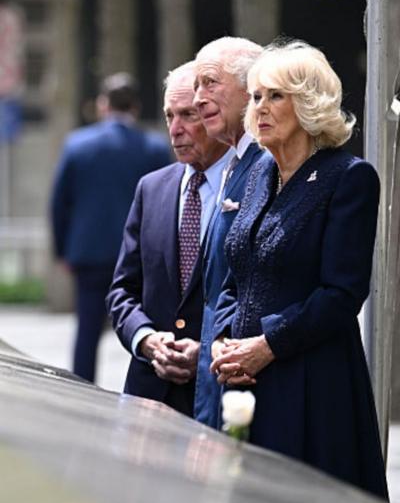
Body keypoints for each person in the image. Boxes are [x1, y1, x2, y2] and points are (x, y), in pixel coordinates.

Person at [210, 39, 389, 500]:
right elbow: (235, 274)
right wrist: (223, 343)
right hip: (246, 382)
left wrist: (268, 344)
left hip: (312, 384)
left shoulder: (348, 177)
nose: (260, 108)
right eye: (255, 97)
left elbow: (343, 292)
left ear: (309, 103)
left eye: (275, 96)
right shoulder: (257, 175)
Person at [106, 62, 230, 416]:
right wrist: (145, 339)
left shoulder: (251, 184)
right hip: (148, 396)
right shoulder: (152, 187)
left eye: (188, 115)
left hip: (218, 395)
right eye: (168, 116)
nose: (175, 130)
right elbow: (122, 290)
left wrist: (207, 350)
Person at [50, 73, 171, 383]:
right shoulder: (154, 148)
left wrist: (63, 250)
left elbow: (59, 203)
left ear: (103, 105)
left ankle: (82, 389)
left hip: (88, 252)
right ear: (136, 106)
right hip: (140, 256)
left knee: (87, 331)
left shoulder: (77, 145)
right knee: (143, 326)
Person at [192, 36, 266, 427]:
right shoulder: (234, 163)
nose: (198, 98)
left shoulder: (269, 164)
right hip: (216, 373)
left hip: (248, 372)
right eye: (196, 87)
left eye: (211, 83)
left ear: (251, 87)